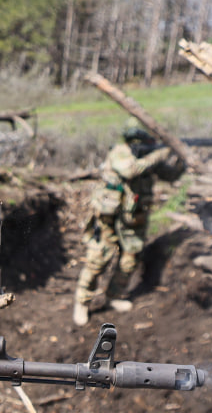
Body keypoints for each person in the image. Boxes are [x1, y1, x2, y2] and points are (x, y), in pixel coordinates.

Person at [73, 125, 185, 326]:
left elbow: (171, 176)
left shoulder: (148, 157)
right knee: (98, 259)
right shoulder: (120, 152)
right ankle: (82, 302)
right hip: (109, 215)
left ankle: (114, 295)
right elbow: (130, 170)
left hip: (134, 216)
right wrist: (161, 154)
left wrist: (181, 159)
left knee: (129, 259)